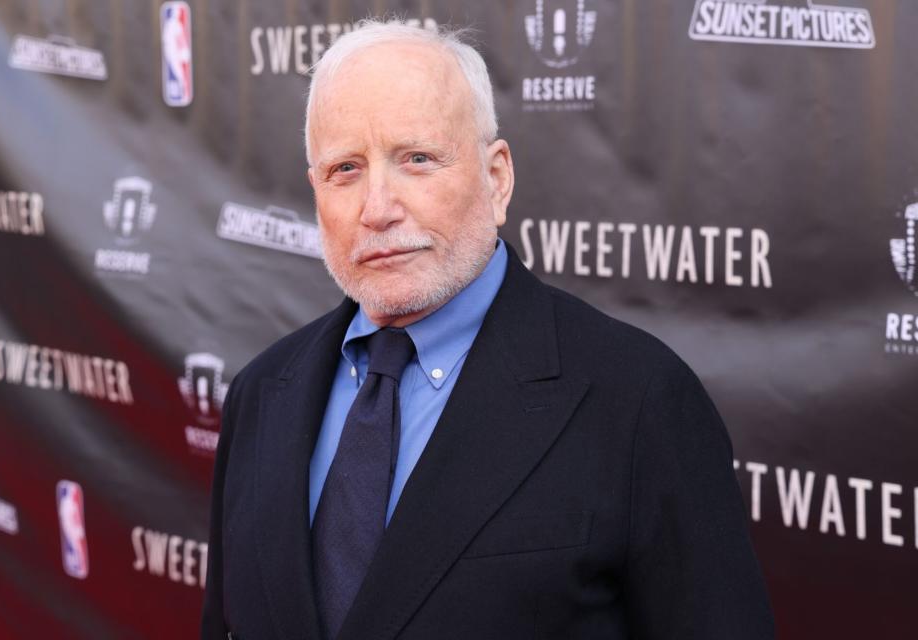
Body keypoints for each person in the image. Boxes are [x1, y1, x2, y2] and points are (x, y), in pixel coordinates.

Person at [201, 19, 774, 640]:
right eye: (345, 170)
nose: (377, 208)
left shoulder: (638, 400)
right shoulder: (262, 395)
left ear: (497, 178)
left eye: (417, 159)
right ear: (316, 192)